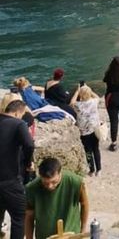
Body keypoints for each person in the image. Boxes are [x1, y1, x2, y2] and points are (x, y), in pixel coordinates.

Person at [25, 157, 89, 239]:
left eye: (54, 182)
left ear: (60, 173)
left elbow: (84, 205)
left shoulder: (75, 182)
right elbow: (29, 216)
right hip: (45, 235)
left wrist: (82, 231)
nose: (50, 186)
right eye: (45, 183)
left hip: (70, 235)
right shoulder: (32, 188)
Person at [0, 100, 34, 239]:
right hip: (11, 180)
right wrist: (27, 163)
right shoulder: (18, 123)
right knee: (19, 218)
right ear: (17, 112)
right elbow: (29, 145)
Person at [70, 86, 102, 177]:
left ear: (81, 95)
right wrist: (90, 90)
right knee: (96, 149)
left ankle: (92, 170)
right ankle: (99, 170)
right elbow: (97, 97)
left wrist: (77, 91)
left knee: (88, 151)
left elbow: (71, 102)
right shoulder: (94, 102)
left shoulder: (78, 105)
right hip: (95, 129)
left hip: (84, 132)